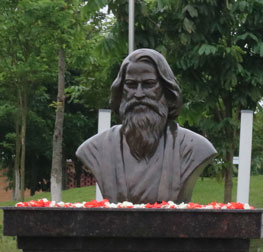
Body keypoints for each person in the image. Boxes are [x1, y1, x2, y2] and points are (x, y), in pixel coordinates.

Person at [76, 48, 216, 204]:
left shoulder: (193, 148)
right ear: (121, 91)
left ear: (166, 90)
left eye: (149, 84)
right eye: (131, 85)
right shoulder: (96, 148)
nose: (139, 94)